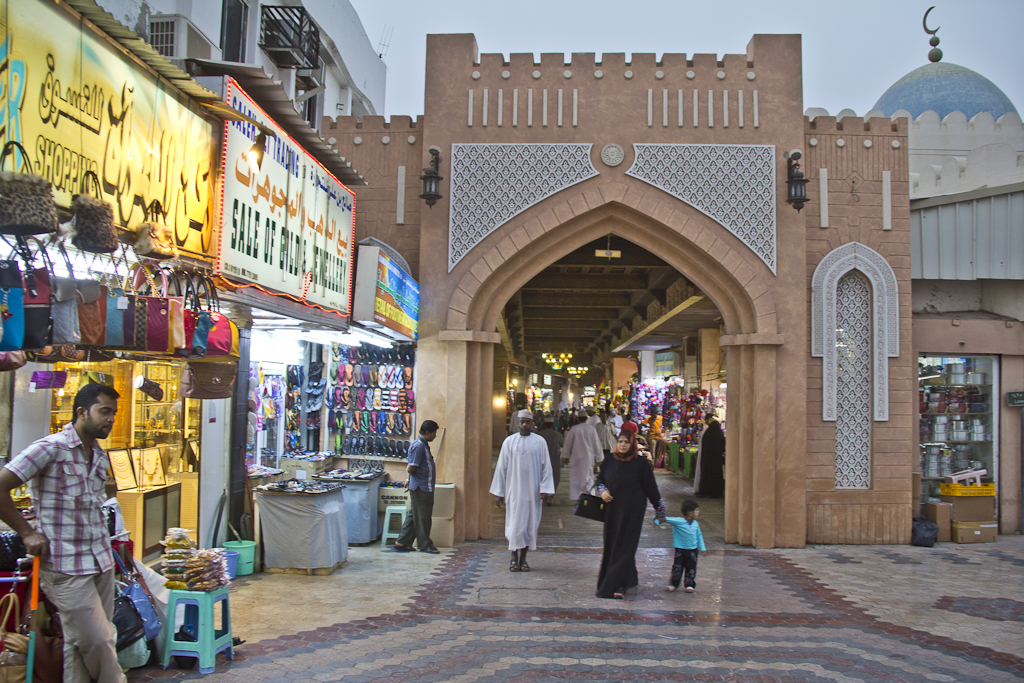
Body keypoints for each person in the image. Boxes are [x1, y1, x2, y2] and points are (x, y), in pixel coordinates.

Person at [0, 383, 126, 683]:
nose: (110, 419)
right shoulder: (49, 448)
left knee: (79, 643)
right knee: (98, 640)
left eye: (114, 413)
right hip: (65, 567)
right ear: (82, 412)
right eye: (104, 412)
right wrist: (27, 532)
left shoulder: (97, 453)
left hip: (100, 562)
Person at [595, 432, 666, 599]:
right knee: (613, 545)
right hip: (613, 511)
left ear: (633, 444)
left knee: (625, 546)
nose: (623, 445)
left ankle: (616, 585)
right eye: (620, 441)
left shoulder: (640, 463)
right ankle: (630, 578)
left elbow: (651, 488)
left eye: (627, 442)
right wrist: (603, 491)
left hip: (633, 511)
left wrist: (659, 509)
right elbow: (599, 480)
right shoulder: (610, 460)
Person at [490, 410, 555, 572]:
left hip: (533, 493)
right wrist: (499, 492)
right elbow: (501, 468)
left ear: (532, 423)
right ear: (517, 423)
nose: (525, 425)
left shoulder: (540, 442)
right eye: (522, 422)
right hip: (514, 491)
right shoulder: (509, 442)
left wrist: (545, 489)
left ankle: (524, 559)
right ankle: (513, 558)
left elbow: (546, 467)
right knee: (514, 525)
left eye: (527, 422)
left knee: (528, 526)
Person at [394, 420, 441, 553]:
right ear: (427, 432)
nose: (435, 435)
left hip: (423, 486)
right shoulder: (418, 446)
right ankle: (425, 544)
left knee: (415, 514)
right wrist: (408, 477)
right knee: (423, 517)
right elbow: (412, 467)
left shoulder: (423, 445)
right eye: (433, 433)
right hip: (421, 487)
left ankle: (402, 542)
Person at [662, 499, 706, 593]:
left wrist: (702, 548)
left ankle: (689, 584)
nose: (698, 513)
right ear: (691, 513)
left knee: (691, 568)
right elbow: (666, 519)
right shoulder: (679, 521)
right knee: (678, 567)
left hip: (692, 550)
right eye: (697, 511)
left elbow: (699, 535)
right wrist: (659, 520)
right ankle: (674, 584)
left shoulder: (695, 524)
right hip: (680, 550)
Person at [562, 410, 604, 502]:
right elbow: (596, 444)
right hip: (588, 457)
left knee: (576, 476)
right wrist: (599, 458)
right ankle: (589, 494)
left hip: (576, 457)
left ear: (578, 419)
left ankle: (577, 496)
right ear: (586, 418)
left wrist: (566, 456)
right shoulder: (591, 429)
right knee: (588, 476)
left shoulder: (574, 429)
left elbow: (568, 443)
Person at [535, 414, 564, 505]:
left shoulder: (539, 435)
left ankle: (542, 494)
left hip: (541, 461)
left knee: (541, 477)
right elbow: (563, 444)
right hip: (554, 460)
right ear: (552, 424)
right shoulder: (557, 435)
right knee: (554, 478)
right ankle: (549, 497)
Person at [697, 414, 726, 498]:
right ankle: (716, 492)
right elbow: (722, 445)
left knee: (707, 475)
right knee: (716, 476)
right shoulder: (719, 434)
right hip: (717, 460)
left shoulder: (708, 433)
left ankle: (706, 491)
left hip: (707, 459)